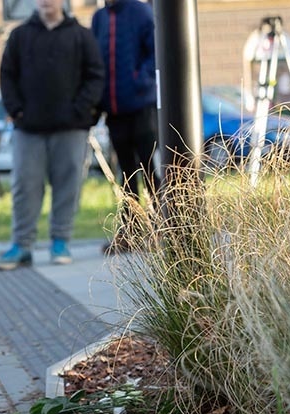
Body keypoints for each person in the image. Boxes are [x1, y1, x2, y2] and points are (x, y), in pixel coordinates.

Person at [0, 0, 104, 269]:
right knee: (25, 187)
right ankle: (21, 246)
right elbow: (7, 76)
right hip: (28, 129)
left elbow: (95, 76)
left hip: (70, 129)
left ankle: (61, 242)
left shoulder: (81, 35)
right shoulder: (20, 35)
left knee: (67, 187)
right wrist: (17, 110)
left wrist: (80, 110)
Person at [91, 0, 161, 254]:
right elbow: (96, 62)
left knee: (149, 168)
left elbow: (154, 52)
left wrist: (139, 80)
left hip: (141, 106)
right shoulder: (99, 18)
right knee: (127, 175)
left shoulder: (140, 11)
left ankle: (160, 230)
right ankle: (130, 233)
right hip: (114, 109)